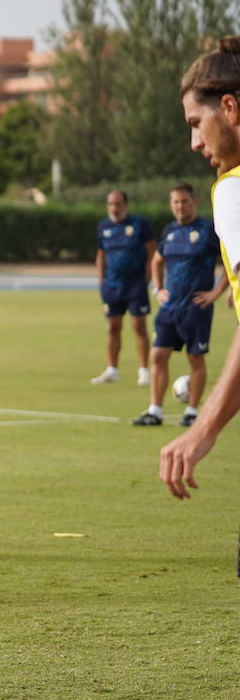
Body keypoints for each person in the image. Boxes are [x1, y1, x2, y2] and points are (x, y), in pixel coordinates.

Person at [162, 36, 240, 507]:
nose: (194, 142)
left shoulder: (232, 190)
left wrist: (202, 429)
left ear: (229, 106)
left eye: (196, 123)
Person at [131, 183, 224, 427]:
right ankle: (155, 411)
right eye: (175, 202)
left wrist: (216, 292)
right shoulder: (170, 231)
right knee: (158, 355)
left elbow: (230, 259)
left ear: (195, 202)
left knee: (195, 359)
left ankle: (192, 412)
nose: (180, 206)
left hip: (196, 308)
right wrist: (158, 289)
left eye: (184, 201)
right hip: (170, 308)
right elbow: (157, 260)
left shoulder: (208, 230)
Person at [91, 190, 156, 386]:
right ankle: (112, 370)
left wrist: (148, 277)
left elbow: (152, 253)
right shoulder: (103, 227)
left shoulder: (139, 224)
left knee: (139, 326)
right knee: (113, 327)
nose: (114, 208)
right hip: (112, 286)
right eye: (111, 204)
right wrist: (101, 281)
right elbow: (101, 255)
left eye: (118, 204)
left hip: (135, 284)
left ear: (125, 205)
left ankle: (144, 370)